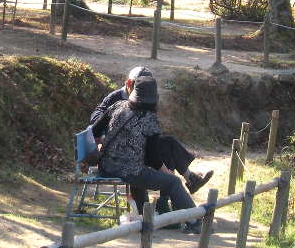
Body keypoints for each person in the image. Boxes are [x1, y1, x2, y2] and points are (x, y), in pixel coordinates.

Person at [91, 75, 201, 233]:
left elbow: (94, 131)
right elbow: (153, 157)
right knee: (173, 182)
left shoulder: (117, 106)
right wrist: (167, 172)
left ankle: (145, 216)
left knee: (141, 174)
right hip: (129, 171)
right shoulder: (150, 119)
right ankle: (195, 221)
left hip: (105, 167)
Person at [89, 66, 213, 194]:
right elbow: (96, 118)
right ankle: (185, 183)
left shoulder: (145, 98)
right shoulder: (116, 98)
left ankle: (184, 183)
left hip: (139, 148)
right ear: (129, 84)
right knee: (164, 151)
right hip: (119, 154)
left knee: (167, 146)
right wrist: (108, 133)